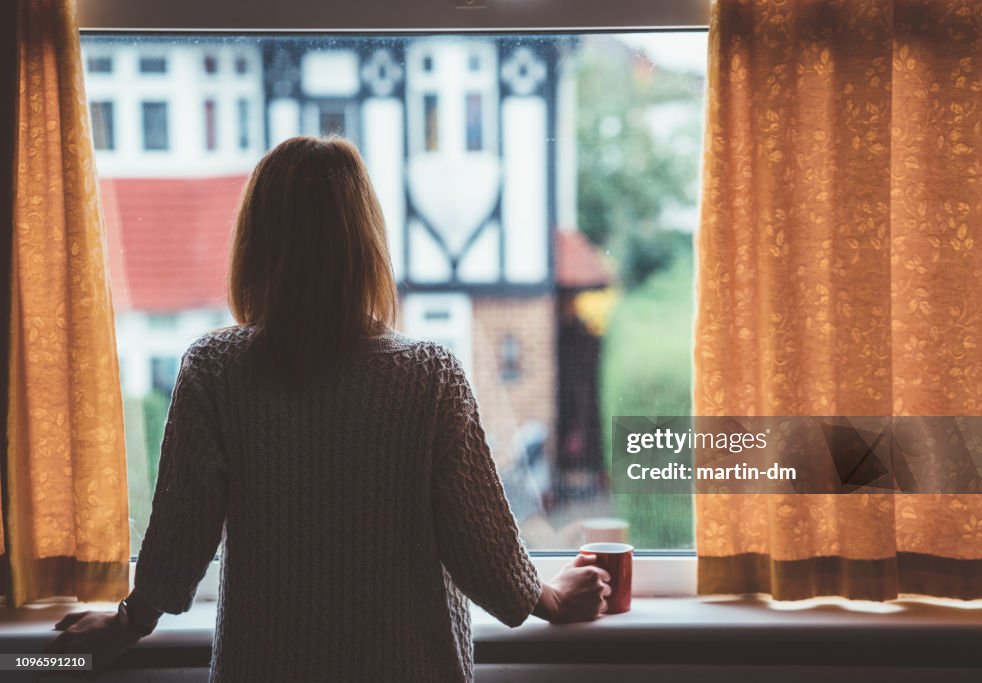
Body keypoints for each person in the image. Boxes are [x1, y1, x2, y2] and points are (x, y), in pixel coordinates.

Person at [45, 136, 611, 681]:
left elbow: (177, 542)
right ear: (366, 244)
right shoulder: (430, 376)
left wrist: (126, 624)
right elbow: (487, 556)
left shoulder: (215, 369)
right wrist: (553, 599)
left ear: (255, 244)